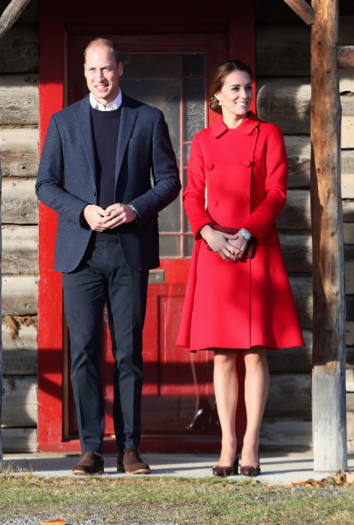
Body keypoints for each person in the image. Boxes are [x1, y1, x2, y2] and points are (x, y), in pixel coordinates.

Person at [35, 38, 181, 475]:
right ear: (84, 73)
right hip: (80, 253)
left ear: (120, 69)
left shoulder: (148, 119)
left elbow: (170, 180)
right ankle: (91, 448)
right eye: (92, 70)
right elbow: (45, 184)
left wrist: (135, 208)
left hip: (129, 249)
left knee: (129, 353)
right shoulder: (63, 123)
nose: (100, 78)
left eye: (107, 69)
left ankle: (130, 449)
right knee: (83, 351)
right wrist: (80, 210)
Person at [176, 60, 304, 477]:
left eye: (248, 88)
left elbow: (277, 191)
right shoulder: (202, 140)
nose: (244, 95)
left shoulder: (268, 134)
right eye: (234, 89)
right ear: (216, 95)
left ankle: (251, 444)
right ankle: (227, 443)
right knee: (223, 353)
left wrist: (247, 234)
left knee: (253, 350)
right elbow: (192, 194)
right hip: (214, 250)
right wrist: (208, 233)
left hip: (255, 246)